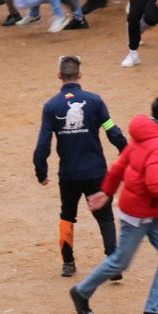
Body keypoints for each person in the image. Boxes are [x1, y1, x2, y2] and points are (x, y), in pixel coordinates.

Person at [68, 93, 158, 314]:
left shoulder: (144, 133)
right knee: (120, 262)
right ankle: (81, 291)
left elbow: (120, 165)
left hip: (152, 210)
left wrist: (107, 192)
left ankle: (152, 312)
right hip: (140, 213)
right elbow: (157, 184)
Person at [35, 54, 129, 277]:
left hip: (68, 173)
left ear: (59, 76)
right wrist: (126, 152)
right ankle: (113, 265)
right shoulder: (95, 101)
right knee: (104, 216)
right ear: (80, 75)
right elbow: (112, 130)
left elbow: (43, 142)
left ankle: (68, 263)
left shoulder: (51, 106)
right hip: (96, 171)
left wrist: (41, 171)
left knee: (67, 215)